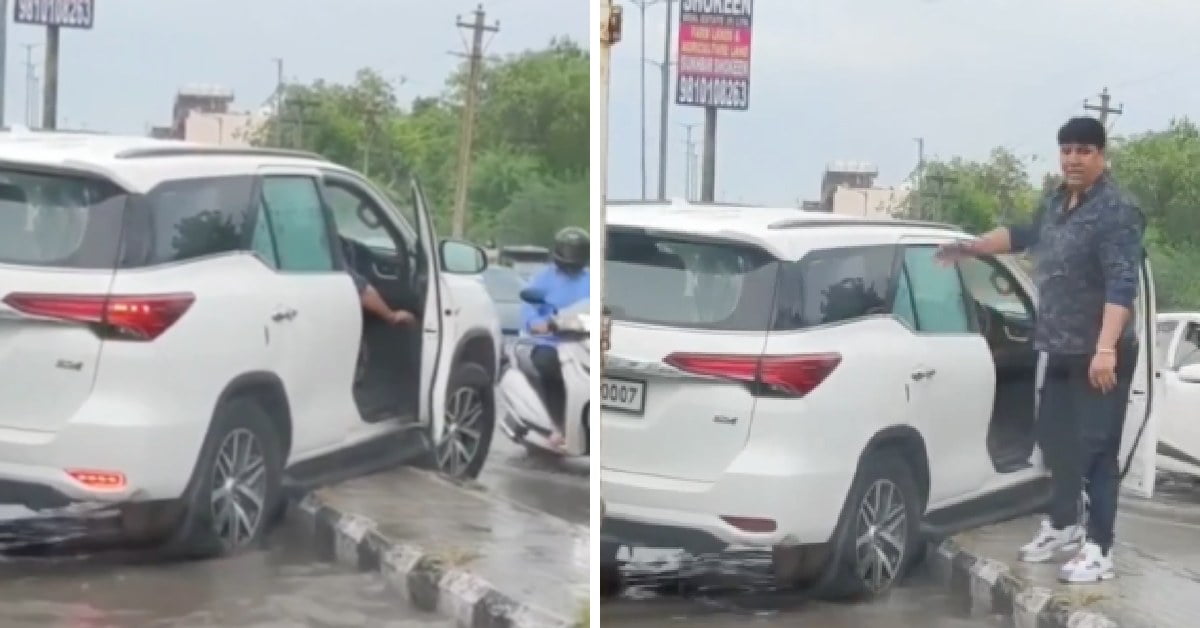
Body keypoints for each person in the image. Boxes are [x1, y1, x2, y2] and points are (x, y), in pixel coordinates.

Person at [937, 117, 1145, 583]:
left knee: (1096, 452)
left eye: (1084, 150)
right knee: (1056, 444)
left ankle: (1099, 548)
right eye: (1067, 149)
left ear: (1101, 155)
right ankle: (1064, 525)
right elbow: (1023, 235)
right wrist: (970, 248)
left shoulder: (1116, 211)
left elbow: (1122, 284)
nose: (1073, 158)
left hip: (1099, 355)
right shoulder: (1056, 202)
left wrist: (1106, 348)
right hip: (1060, 348)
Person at [521, 227, 591, 445]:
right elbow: (528, 305)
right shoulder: (543, 278)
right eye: (568, 250)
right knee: (550, 365)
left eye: (576, 251)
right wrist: (537, 323)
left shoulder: (590, 280)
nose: (572, 256)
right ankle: (556, 423)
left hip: (580, 340)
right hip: (548, 341)